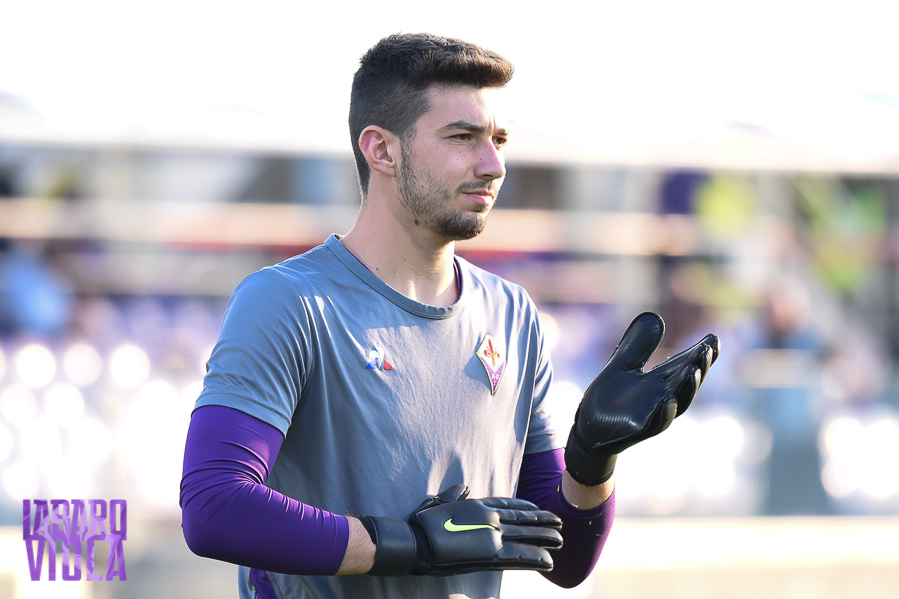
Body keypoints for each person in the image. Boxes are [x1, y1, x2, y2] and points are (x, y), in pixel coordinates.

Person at [180, 33, 719, 599]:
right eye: (463, 137)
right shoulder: (288, 301)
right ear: (382, 151)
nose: (493, 165)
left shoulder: (513, 314)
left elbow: (562, 560)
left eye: (499, 140)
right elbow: (215, 506)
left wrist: (590, 461)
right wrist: (411, 544)